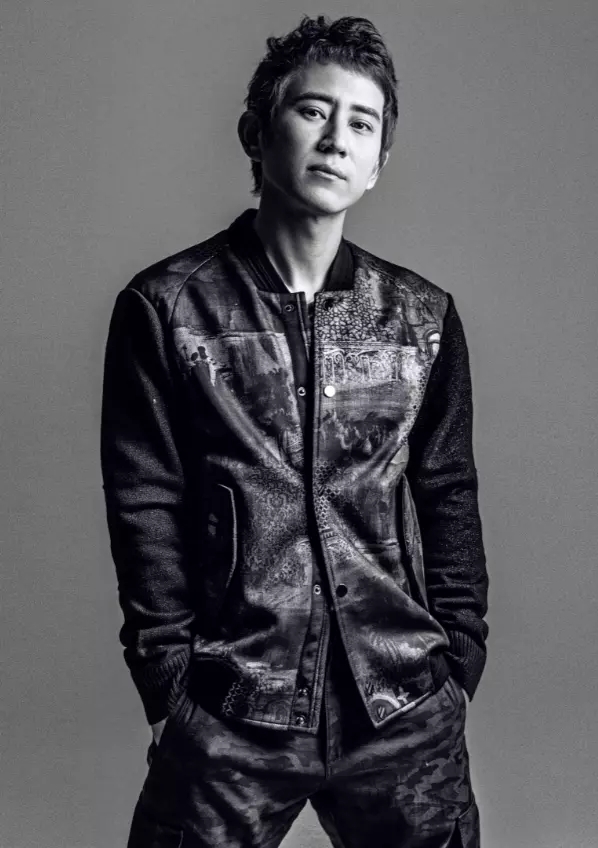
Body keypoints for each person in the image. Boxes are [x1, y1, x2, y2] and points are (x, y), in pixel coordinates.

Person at [101, 14, 489, 848]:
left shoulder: (421, 319)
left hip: (401, 702)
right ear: (257, 131)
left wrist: (459, 656)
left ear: (378, 163)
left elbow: (447, 489)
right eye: (314, 111)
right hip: (231, 704)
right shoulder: (168, 309)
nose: (337, 139)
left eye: (362, 124)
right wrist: (167, 680)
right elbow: (145, 501)